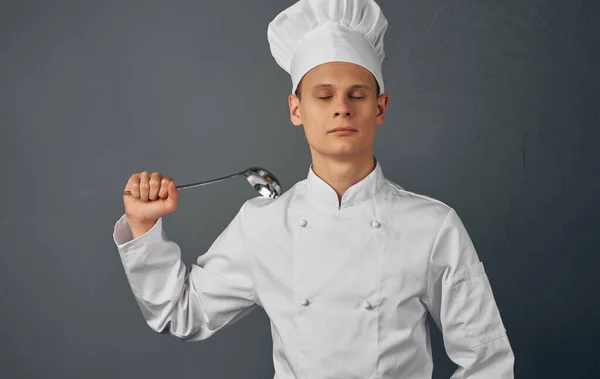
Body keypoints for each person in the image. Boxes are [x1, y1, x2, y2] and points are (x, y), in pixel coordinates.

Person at [113, 0, 515, 377]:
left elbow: (487, 358)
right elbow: (184, 313)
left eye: (357, 95)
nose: (342, 107)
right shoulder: (263, 225)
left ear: (380, 108)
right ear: (296, 109)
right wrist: (143, 228)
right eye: (324, 95)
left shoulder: (432, 225)